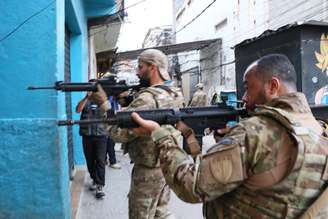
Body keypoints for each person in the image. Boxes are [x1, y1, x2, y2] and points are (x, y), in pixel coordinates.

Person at [130, 54, 328, 218]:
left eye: (248, 87)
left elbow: (191, 185)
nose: (244, 98)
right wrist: (227, 144)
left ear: (272, 86)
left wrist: (159, 135)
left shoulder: (254, 132)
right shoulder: (319, 130)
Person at [90, 49, 185, 219]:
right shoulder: (174, 92)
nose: (137, 71)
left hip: (148, 172)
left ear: (153, 68)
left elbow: (118, 133)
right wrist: (128, 101)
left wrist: (104, 104)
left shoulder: (147, 99)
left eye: (141, 67)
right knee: (161, 213)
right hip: (167, 166)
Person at [76, 93, 107, 199]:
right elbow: (78, 110)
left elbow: (110, 112)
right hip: (87, 135)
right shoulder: (86, 101)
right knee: (90, 160)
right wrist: (86, 97)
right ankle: (94, 178)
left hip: (101, 135)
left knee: (100, 160)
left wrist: (102, 100)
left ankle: (100, 185)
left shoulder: (103, 100)